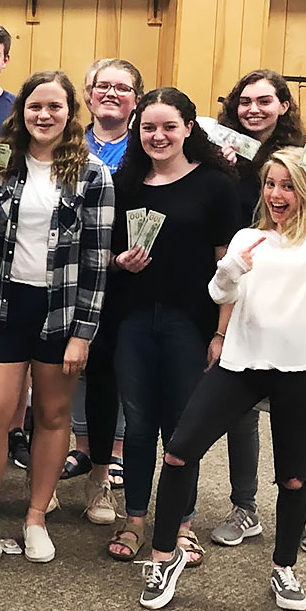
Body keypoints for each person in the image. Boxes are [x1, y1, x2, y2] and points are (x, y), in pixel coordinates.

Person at [140, 148, 306, 611]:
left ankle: (284, 568)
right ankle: (163, 557)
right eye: (270, 184)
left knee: (294, 479)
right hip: (240, 365)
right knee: (178, 452)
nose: (276, 194)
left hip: (297, 372)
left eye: (288, 186)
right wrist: (231, 270)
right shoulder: (248, 238)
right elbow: (218, 292)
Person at [0, 70, 114, 563]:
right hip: (2, 306)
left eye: (54, 107)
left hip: (61, 314)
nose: (44, 115)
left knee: (52, 415)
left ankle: (34, 518)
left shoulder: (92, 174)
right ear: (21, 112)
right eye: (35, 106)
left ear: (70, 113)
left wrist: (83, 334)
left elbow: (96, 262)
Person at [105, 88, 241, 566]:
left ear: (188, 128)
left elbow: (229, 269)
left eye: (168, 126)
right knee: (138, 423)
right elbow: (103, 255)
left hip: (191, 323)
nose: (158, 136)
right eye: (148, 127)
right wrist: (119, 262)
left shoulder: (216, 185)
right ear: (137, 132)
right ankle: (135, 518)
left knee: (181, 429)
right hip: (134, 321)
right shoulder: (125, 184)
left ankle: (182, 523)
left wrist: (221, 334)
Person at [207, 70, 305, 547]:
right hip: (238, 284)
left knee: (298, 419)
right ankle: (245, 507)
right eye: (245, 101)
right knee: (239, 410)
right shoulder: (222, 155)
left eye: (264, 101)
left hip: (291, 303)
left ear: (283, 105)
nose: (253, 109)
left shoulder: (299, 157)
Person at [63, 58, 145, 520]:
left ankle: (108, 459)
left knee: (110, 369)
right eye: (102, 86)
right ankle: (76, 448)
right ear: (88, 95)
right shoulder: (68, 143)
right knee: (62, 368)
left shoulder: (146, 147)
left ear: (136, 99)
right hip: (68, 276)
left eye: (123, 88)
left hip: (126, 277)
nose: (111, 94)